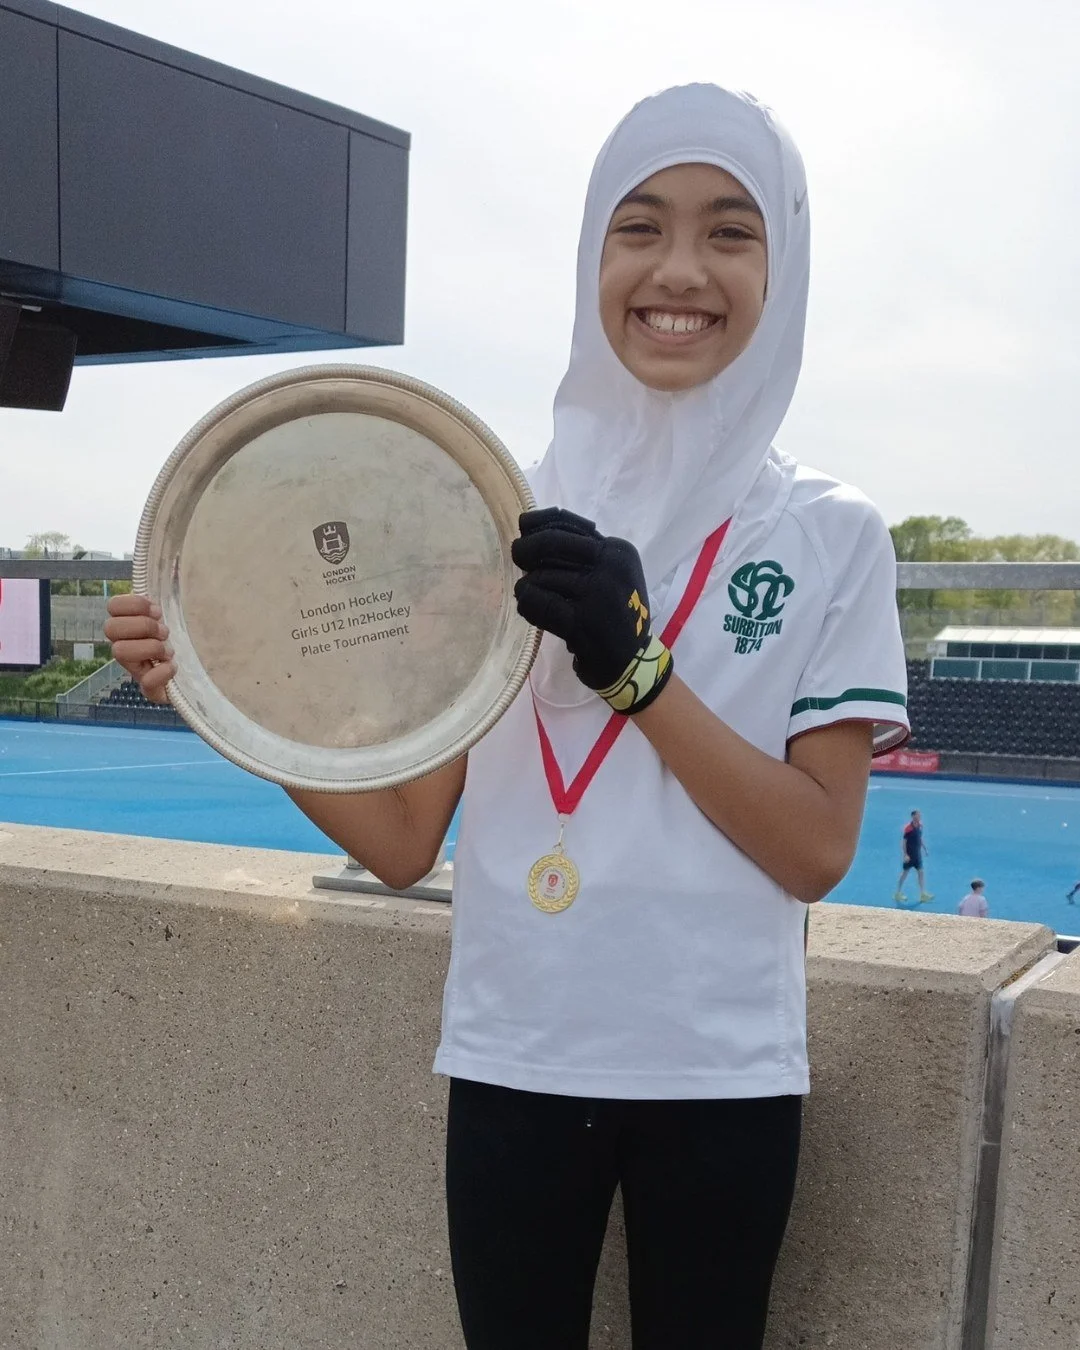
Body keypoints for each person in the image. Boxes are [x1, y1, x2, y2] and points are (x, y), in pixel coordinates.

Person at [105, 84, 910, 1350]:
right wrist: (214, 686)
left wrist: (633, 670)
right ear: (594, 254)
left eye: (730, 231)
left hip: (720, 1073)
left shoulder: (828, 532)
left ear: (784, 264)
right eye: (638, 227)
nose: (679, 270)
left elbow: (815, 850)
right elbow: (401, 840)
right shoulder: (482, 510)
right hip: (513, 1055)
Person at [894, 808, 932, 903]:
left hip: (917, 855)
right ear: (913, 816)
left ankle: (922, 894)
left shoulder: (920, 826)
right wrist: (905, 854)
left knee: (921, 873)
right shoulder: (908, 828)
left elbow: (919, 838)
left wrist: (924, 848)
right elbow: (904, 842)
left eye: (920, 815)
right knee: (905, 873)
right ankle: (897, 893)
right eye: (918, 815)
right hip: (910, 855)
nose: (919, 817)